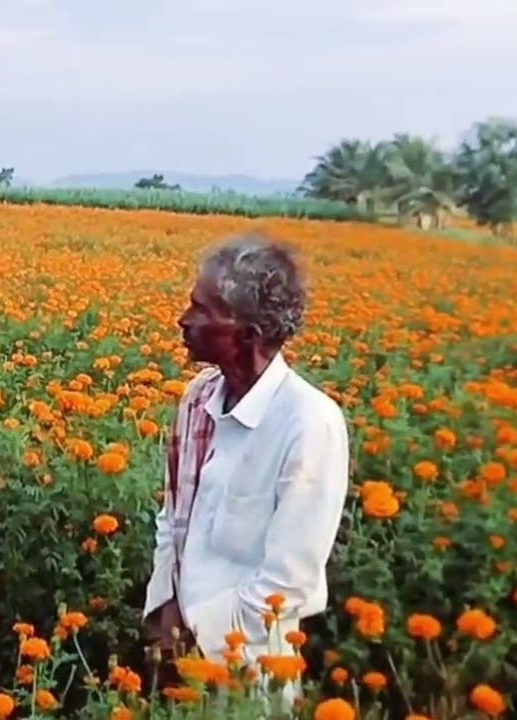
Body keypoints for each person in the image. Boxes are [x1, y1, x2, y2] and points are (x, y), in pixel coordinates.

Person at [142, 234, 350, 703]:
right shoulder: (198, 398)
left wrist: (204, 636)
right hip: (177, 650)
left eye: (202, 310)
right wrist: (165, 615)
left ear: (247, 335)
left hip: (251, 670)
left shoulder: (308, 423)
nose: (184, 320)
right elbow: (173, 519)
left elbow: (289, 581)